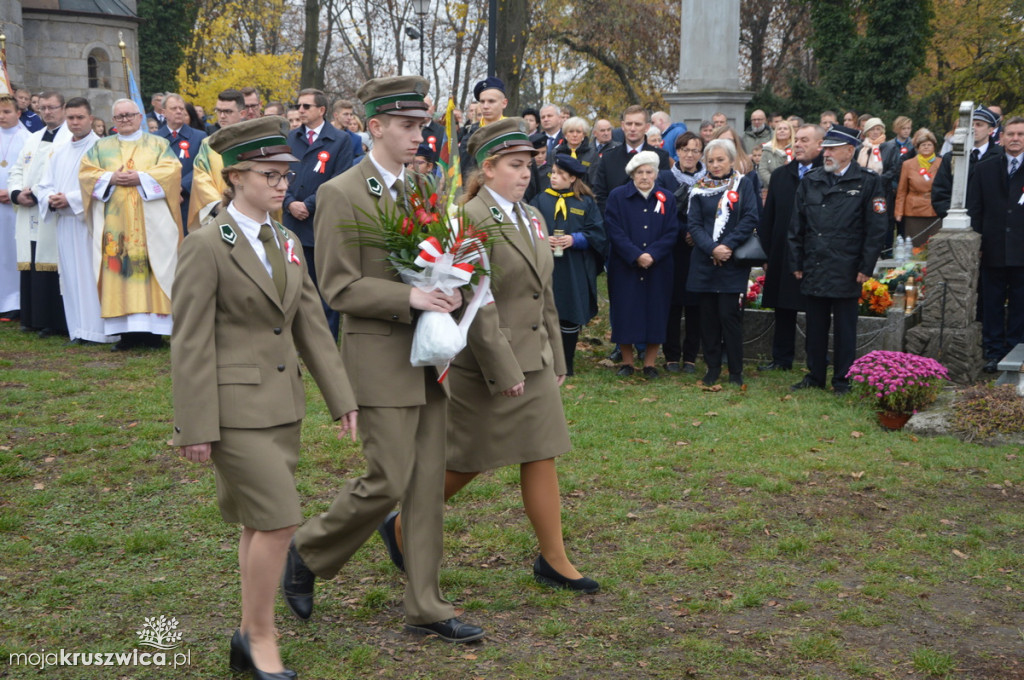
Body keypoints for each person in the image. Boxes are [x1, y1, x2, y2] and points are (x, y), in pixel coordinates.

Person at [281, 75, 485, 643]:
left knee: (424, 485)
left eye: (421, 125)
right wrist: (412, 297)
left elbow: (435, 262)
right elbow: (338, 286)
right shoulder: (342, 192)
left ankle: (426, 605)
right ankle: (307, 549)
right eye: (407, 125)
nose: (419, 135)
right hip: (378, 357)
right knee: (388, 477)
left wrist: (454, 287)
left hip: (428, 355)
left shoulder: (421, 191)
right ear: (375, 127)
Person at [171, 116, 358, 680]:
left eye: (286, 176)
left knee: (259, 522)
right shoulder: (206, 245)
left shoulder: (284, 241)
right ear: (236, 178)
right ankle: (259, 637)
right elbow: (190, 341)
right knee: (279, 522)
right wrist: (194, 425)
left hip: (283, 407)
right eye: (270, 175)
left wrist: (341, 396)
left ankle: (246, 635)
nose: (282, 185)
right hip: (233, 411)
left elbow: (309, 323)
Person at [388, 118, 599, 593]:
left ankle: (554, 558)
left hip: (535, 358)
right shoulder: (470, 218)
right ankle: (401, 523)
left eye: (529, 165)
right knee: (467, 461)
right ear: (487, 168)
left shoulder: (533, 217)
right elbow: (476, 304)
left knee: (543, 452)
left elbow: (542, 294)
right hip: (487, 364)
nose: (527, 174)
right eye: (515, 165)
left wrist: (558, 356)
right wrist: (505, 369)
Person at [789, 125, 887, 394]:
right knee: (815, 325)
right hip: (815, 263)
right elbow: (796, 225)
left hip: (847, 266)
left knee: (845, 329)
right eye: (826, 148)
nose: (826, 153)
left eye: (832, 148)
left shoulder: (867, 181)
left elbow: (876, 228)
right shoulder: (812, 179)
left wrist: (866, 266)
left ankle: (843, 378)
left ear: (849, 151)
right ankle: (815, 375)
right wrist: (796, 262)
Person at [79, 98, 183, 350]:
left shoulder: (158, 143)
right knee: (119, 268)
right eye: (119, 116)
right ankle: (125, 334)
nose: (124, 120)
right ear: (113, 120)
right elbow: (85, 174)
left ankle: (154, 334)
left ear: (139, 116)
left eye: (129, 115)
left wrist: (141, 177)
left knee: (152, 268)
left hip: (151, 224)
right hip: (116, 226)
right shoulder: (101, 147)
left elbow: (172, 171)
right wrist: (110, 177)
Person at [34, 97, 117, 345]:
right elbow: (43, 184)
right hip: (65, 224)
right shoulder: (59, 151)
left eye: (80, 117)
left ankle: (99, 331)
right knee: (70, 277)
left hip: (90, 222)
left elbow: (105, 182)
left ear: (91, 119)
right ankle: (79, 329)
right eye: (70, 118)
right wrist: (50, 198)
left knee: (92, 276)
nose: (75, 122)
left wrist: (70, 199)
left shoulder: (102, 149)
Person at [686, 139, 758, 387]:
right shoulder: (698, 187)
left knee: (729, 316)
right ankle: (712, 367)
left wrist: (726, 246)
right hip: (705, 261)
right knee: (707, 318)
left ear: (731, 160)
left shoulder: (743, 184)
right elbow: (693, 224)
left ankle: (736, 370)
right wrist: (712, 248)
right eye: (711, 160)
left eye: (720, 160)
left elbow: (750, 217)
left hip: (731, 261)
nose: (715, 165)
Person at [284, 87, 353, 341]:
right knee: (294, 283)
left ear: (321, 110)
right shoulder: (291, 137)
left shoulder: (339, 140)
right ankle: (297, 336)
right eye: (298, 105)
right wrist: (290, 203)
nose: (300, 110)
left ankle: (324, 338)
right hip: (292, 221)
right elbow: (281, 174)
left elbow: (340, 178)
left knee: (321, 284)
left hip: (319, 223)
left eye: (306, 106)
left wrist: (309, 205)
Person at [530, 154, 607, 375]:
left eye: (560, 175)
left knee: (569, 311)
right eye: (552, 173)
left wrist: (575, 239)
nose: (553, 178)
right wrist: (544, 238)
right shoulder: (540, 200)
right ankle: (545, 360)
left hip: (573, 267)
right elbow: (529, 228)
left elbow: (598, 233)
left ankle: (567, 361)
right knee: (545, 312)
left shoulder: (585, 202)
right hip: (547, 267)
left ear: (572, 178)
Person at [605, 150, 678, 378]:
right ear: (632, 174)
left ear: (656, 174)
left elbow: (672, 231)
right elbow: (613, 229)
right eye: (640, 172)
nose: (644, 177)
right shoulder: (618, 196)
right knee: (625, 310)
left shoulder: (667, 197)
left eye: (649, 172)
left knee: (655, 311)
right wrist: (636, 255)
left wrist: (652, 254)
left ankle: (650, 363)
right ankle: (627, 362)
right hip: (625, 264)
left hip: (659, 266)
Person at [758, 124, 824, 372]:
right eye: (797, 141)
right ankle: (781, 359)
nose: (798, 144)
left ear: (820, 145)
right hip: (783, 251)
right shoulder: (781, 175)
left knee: (815, 309)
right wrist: (766, 252)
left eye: (805, 141)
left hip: (815, 253)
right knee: (783, 307)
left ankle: (815, 360)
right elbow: (769, 217)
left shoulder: (826, 174)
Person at [10, 90, 71, 337]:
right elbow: (17, 169)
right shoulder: (33, 138)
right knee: (32, 261)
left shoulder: (69, 138)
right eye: (43, 108)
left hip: (52, 210)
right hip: (27, 209)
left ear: (63, 108)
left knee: (50, 262)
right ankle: (32, 317)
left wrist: (36, 194)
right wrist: (16, 193)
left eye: (52, 108)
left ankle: (53, 320)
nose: (47, 112)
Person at [967, 116, 1024, 373]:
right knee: (991, 302)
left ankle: (1016, 348)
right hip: (993, 247)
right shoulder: (985, 168)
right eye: (1011, 134)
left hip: (1022, 249)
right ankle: (993, 352)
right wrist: (977, 241)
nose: (1015, 139)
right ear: (1000, 137)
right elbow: (975, 209)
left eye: (1021, 134)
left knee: (1020, 303)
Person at [657, 131, 705, 374]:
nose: (689, 155)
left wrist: (697, 235)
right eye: (685, 150)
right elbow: (663, 211)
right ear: (677, 152)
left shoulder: (709, 179)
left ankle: (691, 356)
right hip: (673, 248)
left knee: (695, 306)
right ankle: (671, 355)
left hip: (699, 249)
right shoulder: (665, 178)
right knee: (673, 305)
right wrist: (684, 231)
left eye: (695, 150)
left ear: (701, 154)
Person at [592, 105, 671, 214]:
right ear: (623, 126)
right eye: (629, 124)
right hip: (615, 222)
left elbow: (664, 193)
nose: (632, 128)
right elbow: (600, 195)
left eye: (638, 124)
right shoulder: (608, 157)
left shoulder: (660, 157)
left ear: (647, 127)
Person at [188, 89, 247, 232]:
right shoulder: (208, 144)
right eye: (218, 111)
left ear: (242, 113)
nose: (222, 116)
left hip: (249, 212)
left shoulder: (252, 141)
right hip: (217, 214)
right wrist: (218, 205)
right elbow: (201, 177)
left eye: (228, 111)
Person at [932, 106, 1002, 218]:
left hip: (991, 225)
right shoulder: (951, 158)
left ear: (990, 130)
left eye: (979, 125)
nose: (973, 128)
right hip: (958, 224)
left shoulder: (1001, 157)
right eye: (971, 124)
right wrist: (952, 218)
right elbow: (940, 193)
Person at [155, 94, 207, 233]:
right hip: (162, 199)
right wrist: (168, 188)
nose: (179, 111)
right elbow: (150, 168)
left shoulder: (199, 136)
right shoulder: (154, 139)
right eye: (173, 108)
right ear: (163, 112)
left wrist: (181, 186)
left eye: (181, 108)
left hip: (189, 200)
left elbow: (202, 165)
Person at [0, 94, 30, 321]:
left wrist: (13, 193)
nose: (2, 116)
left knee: (13, 253)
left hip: (15, 207)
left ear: (18, 113)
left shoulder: (28, 140)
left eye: (7, 111)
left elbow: (31, 171)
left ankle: (15, 301)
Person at [894, 128, 941, 247]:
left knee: (934, 246)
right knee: (915, 246)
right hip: (914, 211)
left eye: (929, 145)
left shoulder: (942, 163)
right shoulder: (908, 164)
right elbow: (902, 190)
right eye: (923, 145)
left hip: (935, 209)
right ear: (917, 147)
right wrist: (899, 212)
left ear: (934, 147)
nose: (926, 147)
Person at [458, 77, 508, 177]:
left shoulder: (513, 132)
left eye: (491, 101)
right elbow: (464, 173)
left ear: (504, 103)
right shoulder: (470, 135)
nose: (485, 106)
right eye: (482, 101)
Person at [758, 118, 796, 190]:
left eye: (785, 129)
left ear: (791, 132)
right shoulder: (767, 148)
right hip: (771, 187)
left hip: (793, 187)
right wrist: (775, 182)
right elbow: (763, 169)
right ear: (775, 132)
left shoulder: (796, 148)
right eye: (779, 129)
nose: (782, 131)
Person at [330, 98, 366, 166]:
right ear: (336, 115)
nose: (349, 117)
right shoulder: (321, 133)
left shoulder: (356, 139)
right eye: (345, 114)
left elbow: (359, 165)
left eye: (351, 114)